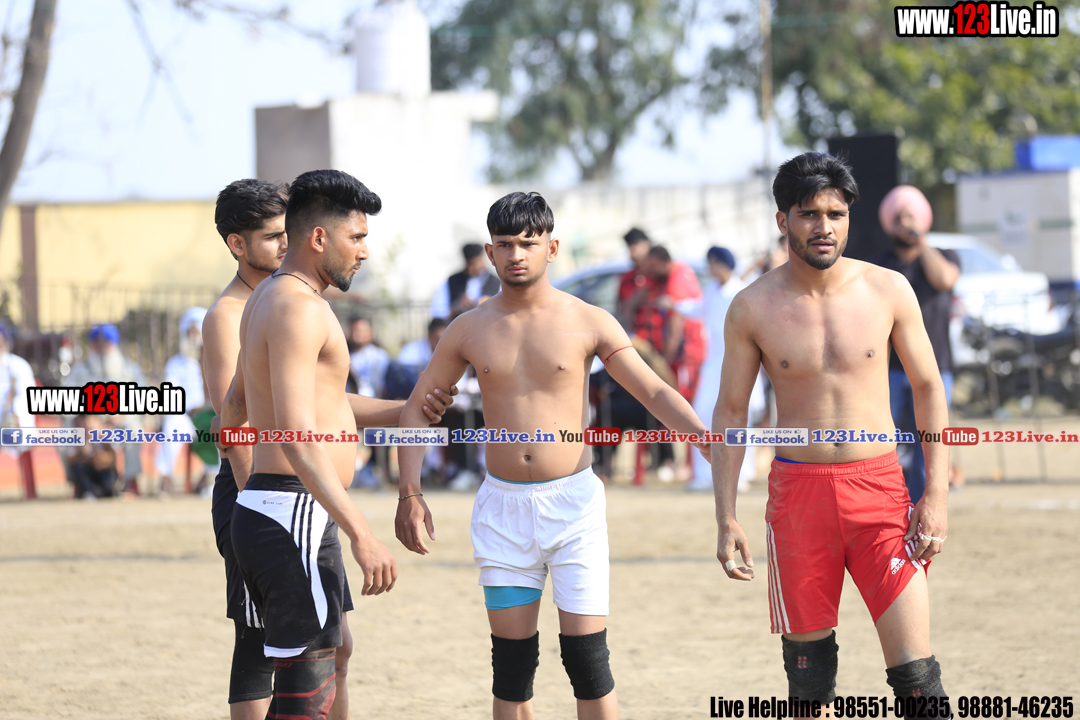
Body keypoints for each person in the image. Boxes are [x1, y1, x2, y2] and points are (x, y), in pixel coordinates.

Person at [394, 191, 713, 720]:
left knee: (588, 665)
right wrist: (409, 492)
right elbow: (416, 410)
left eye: (528, 242)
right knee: (511, 673)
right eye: (504, 244)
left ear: (553, 248)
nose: (516, 254)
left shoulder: (589, 319)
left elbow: (653, 390)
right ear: (490, 253)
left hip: (573, 507)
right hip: (501, 512)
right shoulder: (468, 328)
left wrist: (704, 437)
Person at [713, 152, 951, 715]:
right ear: (783, 220)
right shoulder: (751, 307)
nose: (824, 227)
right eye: (809, 214)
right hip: (799, 499)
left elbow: (929, 388)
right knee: (809, 684)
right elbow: (731, 412)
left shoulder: (888, 289)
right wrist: (726, 516)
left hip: (880, 494)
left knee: (917, 677)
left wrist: (936, 494)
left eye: (836, 214)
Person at [219, 170, 453, 720]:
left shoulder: (271, 297)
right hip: (292, 512)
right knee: (305, 687)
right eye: (357, 238)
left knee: (324, 661)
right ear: (319, 237)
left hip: (283, 509)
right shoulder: (299, 308)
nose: (365, 252)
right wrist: (362, 534)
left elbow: (240, 408)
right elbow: (298, 436)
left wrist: (407, 409)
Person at [869, 186, 961, 504]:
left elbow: (945, 279)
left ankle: (926, 508)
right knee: (884, 443)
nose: (905, 223)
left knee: (930, 445)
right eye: (898, 218)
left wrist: (922, 242)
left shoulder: (942, 256)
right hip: (890, 371)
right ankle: (890, 507)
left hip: (935, 368)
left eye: (911, 216)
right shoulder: (879, 266)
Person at [681, 247, 764, 492]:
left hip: (740, 363)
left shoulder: (742, 291)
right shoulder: (711, 289)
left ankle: (741, 474)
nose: (709, 268)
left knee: (739, 417)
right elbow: (698, 310)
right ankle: (704, 474)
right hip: (713, 363)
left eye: (712, 263)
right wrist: (675, 305)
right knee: (703, 414)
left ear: (721, 264)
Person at [65, 323, 146, 494]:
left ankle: (131, 480)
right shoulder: (79, 372)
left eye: (106, 343)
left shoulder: (130, 370)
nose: (101, 348)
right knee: (63, 435)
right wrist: (85, 420)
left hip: (119, 420)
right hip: (89, 422)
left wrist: (121, 415)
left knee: (134, 431)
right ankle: (77, 481)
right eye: (97, 343)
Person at [156, 306, 209, 495]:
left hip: (207, 415)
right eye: (190, 332)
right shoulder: (174, 364)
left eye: (197, 332)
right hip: (183, 416)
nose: (193, 336)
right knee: (171, 424)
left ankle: (208, 479)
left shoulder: (212, 361)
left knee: (219, 426)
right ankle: (166, 479)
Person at [0, 323, 38, 497]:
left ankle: (29, 491)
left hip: (12, 422)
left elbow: (25, 399)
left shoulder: (19, 366)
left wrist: (14, 415)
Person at [430, 242, 501, 321]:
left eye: (474, 263)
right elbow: (438, 312)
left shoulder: (497, 282)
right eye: (468, 264)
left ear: (482, 260)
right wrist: (457, 306)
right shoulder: (453, 280)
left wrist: (484, 305)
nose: (470, 269)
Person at [347, 315, 391, 399]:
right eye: (354, 331)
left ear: (371, 332)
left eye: (361, 331)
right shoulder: (345, 355)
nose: (358, 335)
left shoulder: (379, 355)